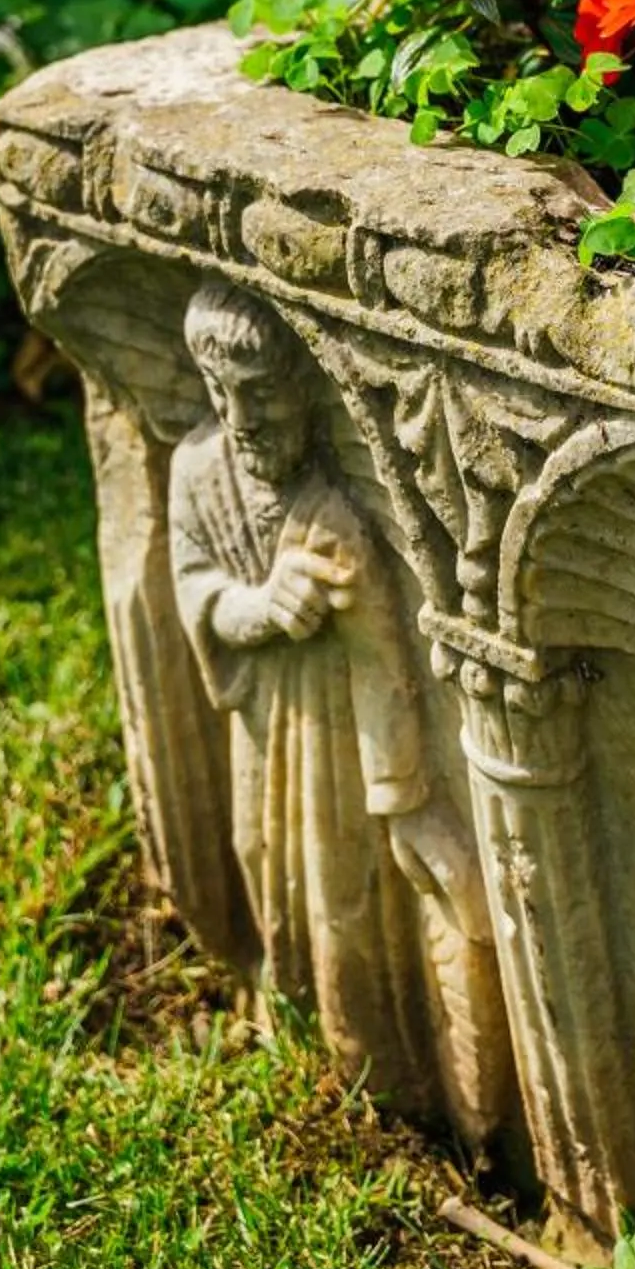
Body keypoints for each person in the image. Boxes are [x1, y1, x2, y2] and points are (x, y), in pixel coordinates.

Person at [169, 278, 482, 1108]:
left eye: (261, 394)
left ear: (305, 393)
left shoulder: (332, 517)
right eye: (221, 393)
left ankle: (376, 1075)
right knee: (259, 853)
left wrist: (404, 797)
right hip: (264, 722)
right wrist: (257, 608)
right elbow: (195, 589)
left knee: (344, 891)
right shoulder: (197, 471)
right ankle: (294, 1022)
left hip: (339, 737)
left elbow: (385, 660)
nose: (242, 418)